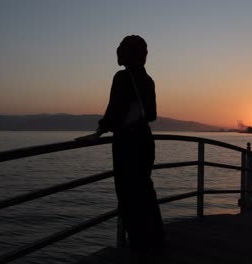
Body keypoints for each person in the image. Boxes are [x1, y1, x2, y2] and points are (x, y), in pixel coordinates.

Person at [76, 35, 165, 255]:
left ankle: (139, 248)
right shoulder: (148, 80)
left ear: (125, 54)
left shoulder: (121, 78)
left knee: (127, 196)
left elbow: (113, 112)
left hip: (127, 143)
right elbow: (151, 115)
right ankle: (157, 241)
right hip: (145, 141)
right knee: (145, 190)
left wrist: (98, 132)